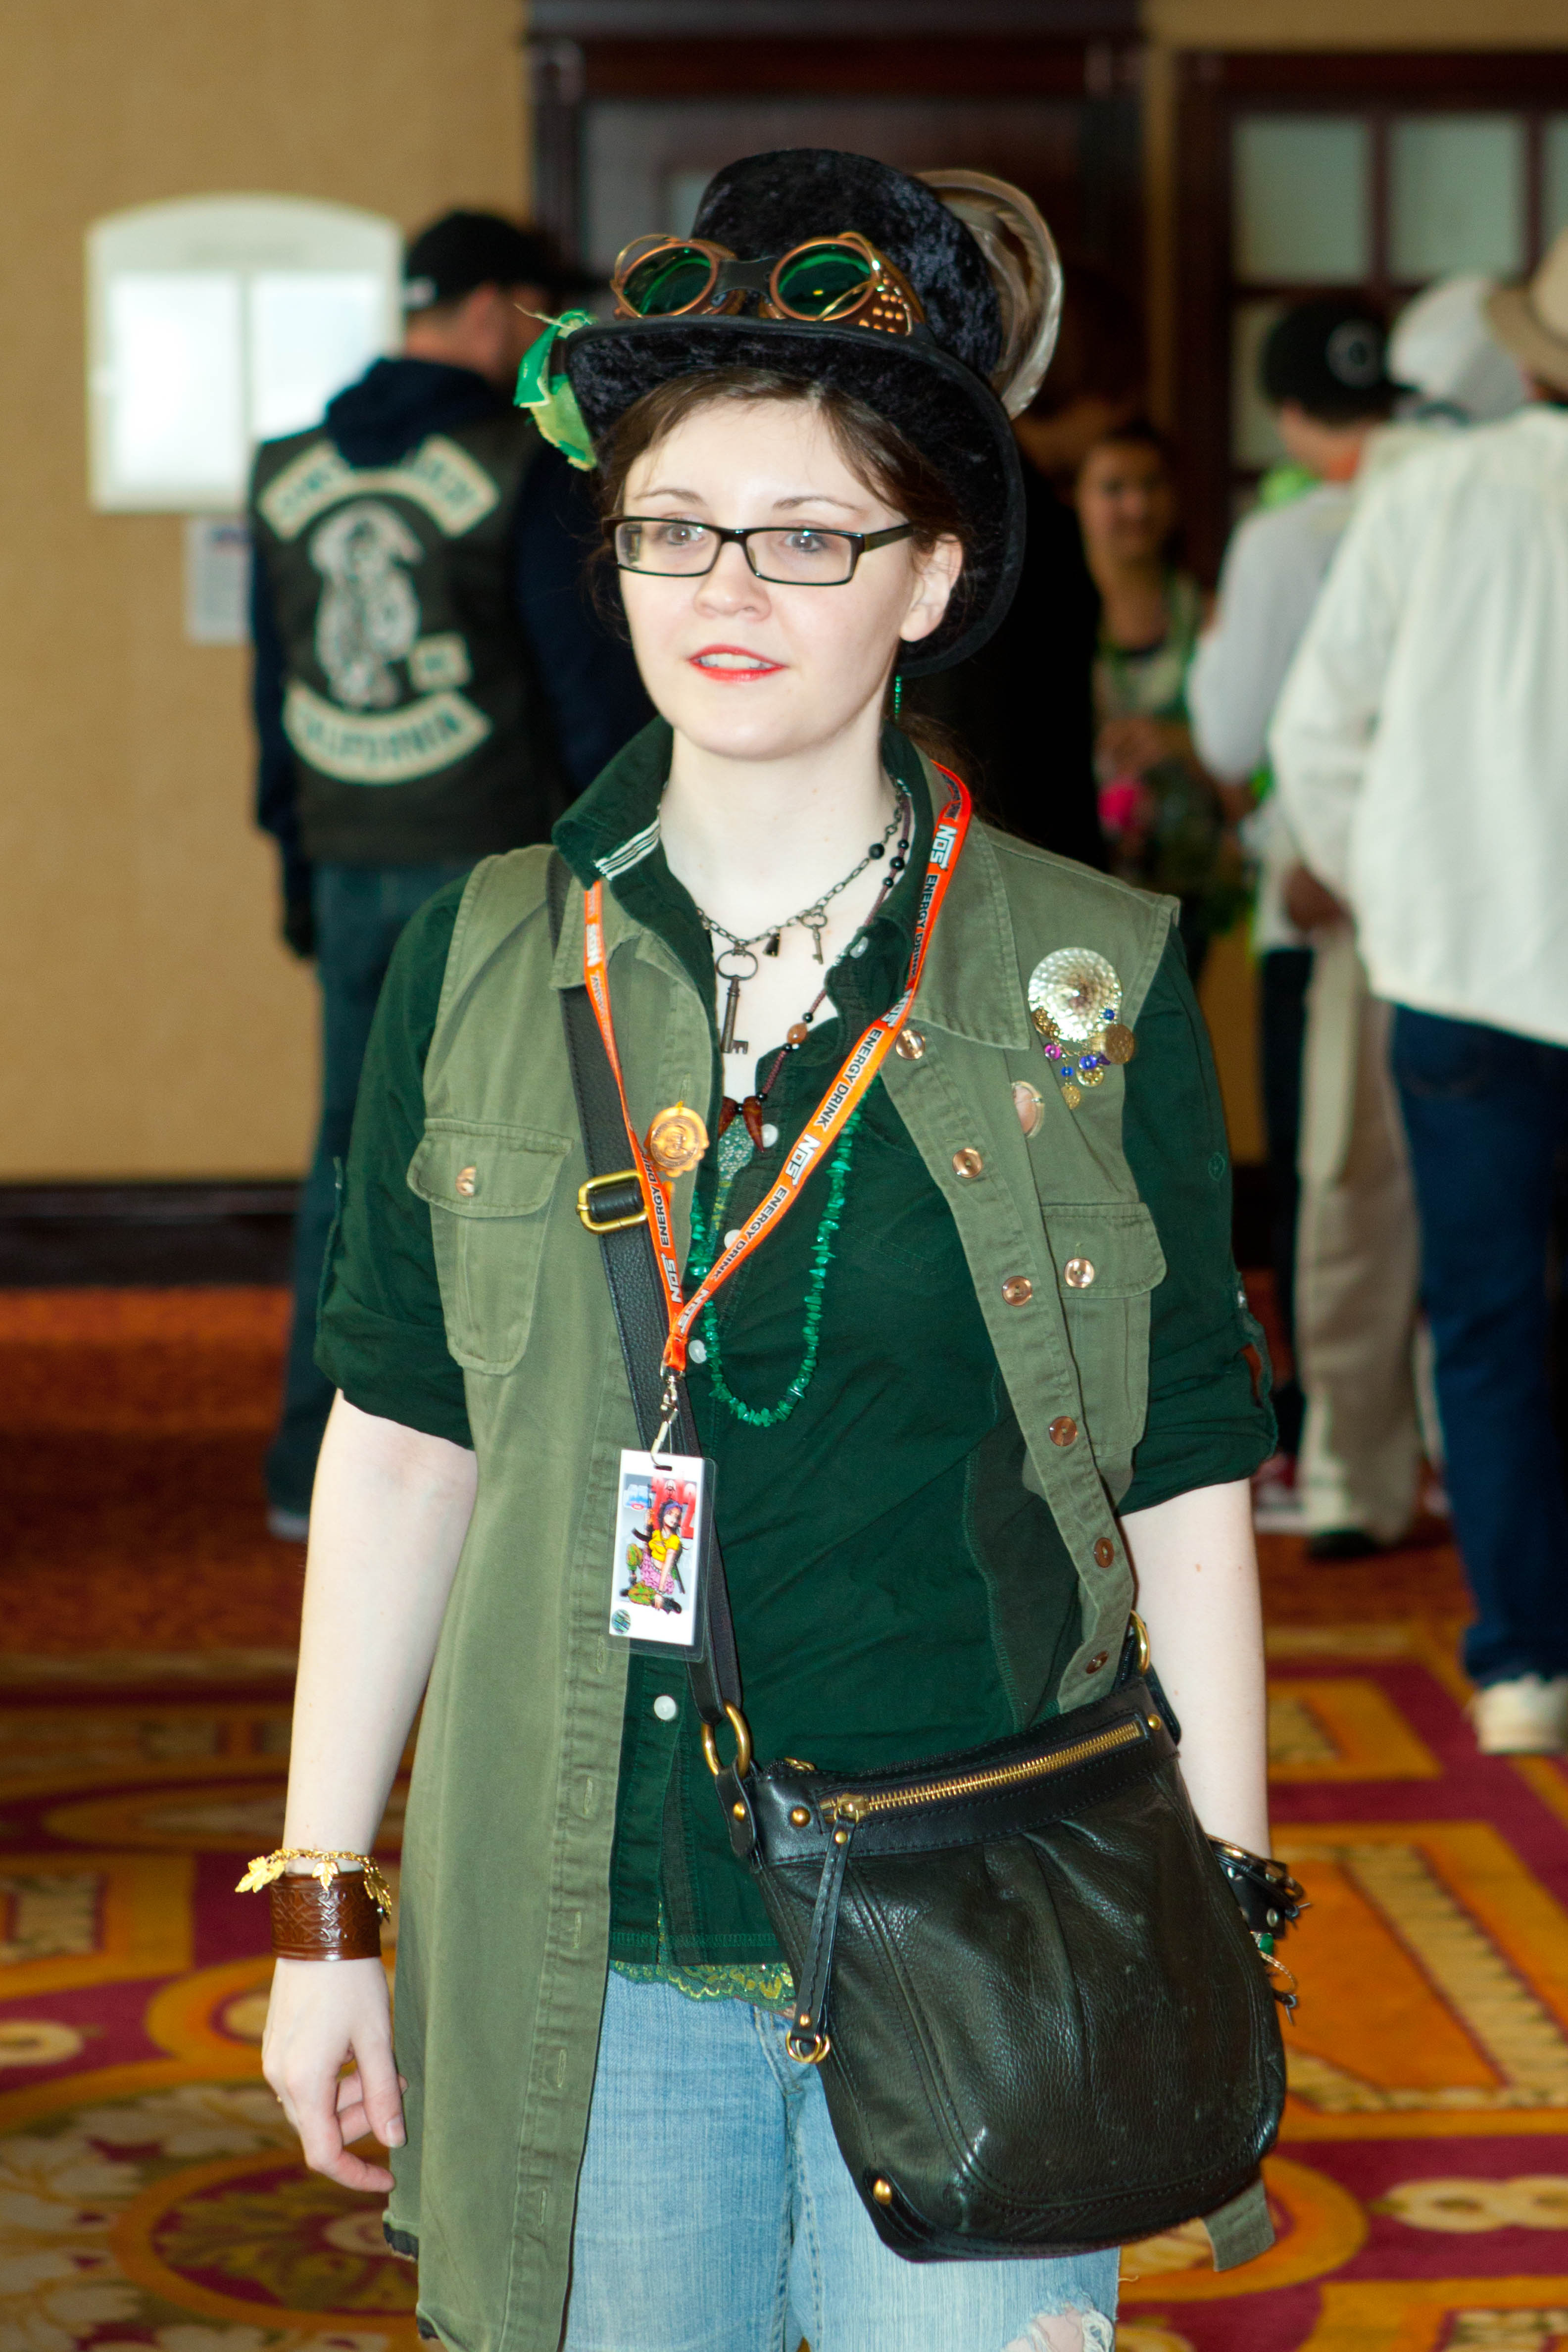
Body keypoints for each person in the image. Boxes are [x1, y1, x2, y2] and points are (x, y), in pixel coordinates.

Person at [257, 151, 1279, 2352]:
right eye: (675, 527)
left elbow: (1185, 1469)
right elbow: (403, 1431)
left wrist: (1219, 1900)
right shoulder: (482, 952)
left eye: (809, 535)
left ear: (931, 576)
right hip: (593, 1933)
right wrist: (324, 1898)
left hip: (999, 1919)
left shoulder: (1089, 982)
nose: (728, 586)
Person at [250, 209, 652, 1538]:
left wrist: (296, 865)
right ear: (490, 310)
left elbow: (276, 694)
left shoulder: (287, 469)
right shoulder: (516, 465)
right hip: (493, 870)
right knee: (517, 1158)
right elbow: (582, 690)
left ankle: (312, 1463)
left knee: (343, 1157)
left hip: (346, 855)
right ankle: (504, 1465)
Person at [1272, 229, 1568, 1755]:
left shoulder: (1431, 492)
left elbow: (1312, 736)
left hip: (1459, 974)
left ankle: (1524, 1663)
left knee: (1487, 1324)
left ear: (1522, 356)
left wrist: (1395, 901)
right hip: (1468, 961)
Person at [1188, 297, 1420, 1554]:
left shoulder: (1285, 539)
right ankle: (1454, 1447)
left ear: (1283, 412)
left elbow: (1230, 735)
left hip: (1330, 909)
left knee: (1338, 1192)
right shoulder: (1473, 503)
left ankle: (1346, 1469)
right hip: (1486, 909)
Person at [907, 268, 1145, 867]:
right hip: (1012, 836)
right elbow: (1011, 719)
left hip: (949, 820)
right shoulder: (1026, 515)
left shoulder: (961, 483)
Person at [1075, 419, 1246, 981]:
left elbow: (1253, 769)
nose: (1137, 506)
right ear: (1078, 500)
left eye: (1152, 485)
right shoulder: (1053, 619)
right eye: (1114, 489)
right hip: (1075, 887)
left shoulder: (1208, 615)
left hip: (1187, 897)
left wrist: (1181, 745)